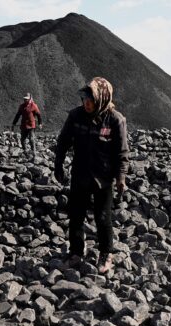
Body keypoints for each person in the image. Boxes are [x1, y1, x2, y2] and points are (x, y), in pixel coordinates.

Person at [54, 77, 129, 275]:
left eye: (91, 100)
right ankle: (76, 251)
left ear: (102, 99)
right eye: (85, 99)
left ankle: (106, 253)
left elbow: (122, 153)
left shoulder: (115, 120)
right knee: (76, 215)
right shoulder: (75, 116)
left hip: (103, 179)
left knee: (103, 217)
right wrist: (58, 165)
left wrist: (121, 178)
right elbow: (63, 142)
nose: (86, 103)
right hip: (80, 174)